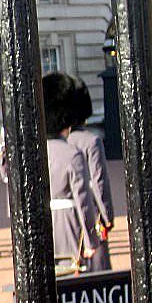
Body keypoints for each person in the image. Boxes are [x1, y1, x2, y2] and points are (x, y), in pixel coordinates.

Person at [44, 73, 100, 276]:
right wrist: (91, 239)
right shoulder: (72, 154)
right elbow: (83, 200)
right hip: (68, 223)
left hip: (43, 225)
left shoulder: (36, 153)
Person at [67, 78, 114, 272]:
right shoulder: (92, 141)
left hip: (68, 214)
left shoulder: (64, 142)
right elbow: (99, 181)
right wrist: (107, 215)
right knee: (99, 269)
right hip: (92, 210)